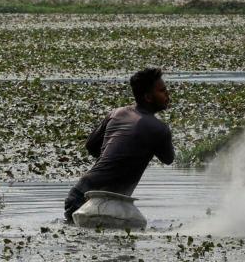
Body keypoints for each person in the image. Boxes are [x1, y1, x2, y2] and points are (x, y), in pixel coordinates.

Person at [63, 67, 175, 222]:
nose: (167, 95)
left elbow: (91, 146)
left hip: (78, 194)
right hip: (108, 205)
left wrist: (110, 161)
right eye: (162, 91)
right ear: (149, 97)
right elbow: (168, 159)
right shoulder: (159, 129)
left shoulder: (116, 113)